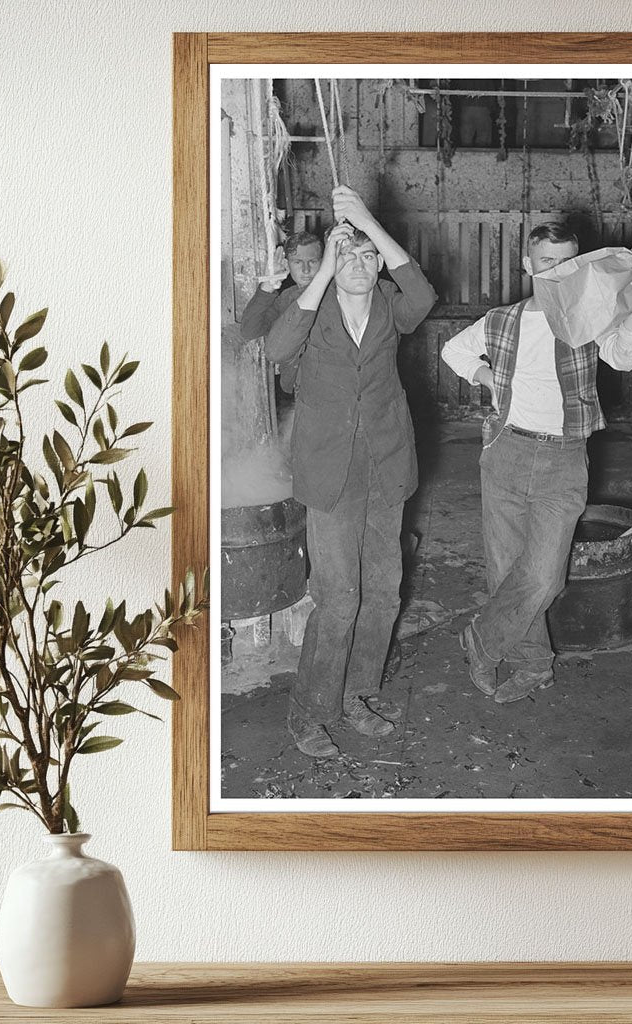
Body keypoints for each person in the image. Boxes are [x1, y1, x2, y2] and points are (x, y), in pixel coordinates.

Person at [441, 223, 632, 704]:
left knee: (544, 577)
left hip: (563, 459)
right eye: (547, 262)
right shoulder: (502, 319)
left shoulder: (589, 318)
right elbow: (452, 350)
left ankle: (481, 641)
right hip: (505, 452)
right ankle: (533, 665)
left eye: (567, 263)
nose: (558, 271)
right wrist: (486, 376)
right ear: (528, 265)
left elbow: (625, 358)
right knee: (506, 569)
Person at [264, 186, 437, 757]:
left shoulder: (390, 302)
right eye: (348, 256)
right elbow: (276, 348)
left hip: (387, 465)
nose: (360, 265)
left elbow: (423, 295)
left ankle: (359, 694)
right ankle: (310, 710)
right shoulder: (310, 308)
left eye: (368, 257)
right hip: (329, 471)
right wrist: (323, 272)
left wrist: (367, 223)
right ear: (332, 266)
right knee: (339, 598)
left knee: (383, 594)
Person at [239, 229, 323, 393]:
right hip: (300, 390)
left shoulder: (336, 293)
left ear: (323, 262)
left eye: (312, 261)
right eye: (297, 262)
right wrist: (269, 285)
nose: (306, 270)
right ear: (287, 264)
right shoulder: (288, 297)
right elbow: (249, 330)